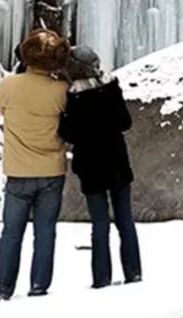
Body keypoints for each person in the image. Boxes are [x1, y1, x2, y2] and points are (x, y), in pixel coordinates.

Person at [0, 28, 72, 301]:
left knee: (11, 234)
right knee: (45, 232)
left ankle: (2, 289)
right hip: (52, 170)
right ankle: (39, 286)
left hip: (18, 171)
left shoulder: (9, 85)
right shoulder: (61, 89)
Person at [58, 46, 142, 288]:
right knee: (125, 220)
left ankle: (101, 278)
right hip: (116, 162)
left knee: (100, 224)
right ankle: (133, 273)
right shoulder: (111, 88)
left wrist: (65, 119)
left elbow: (68, 133)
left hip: (91, 166)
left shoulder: (74, 97)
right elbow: (125, 122)